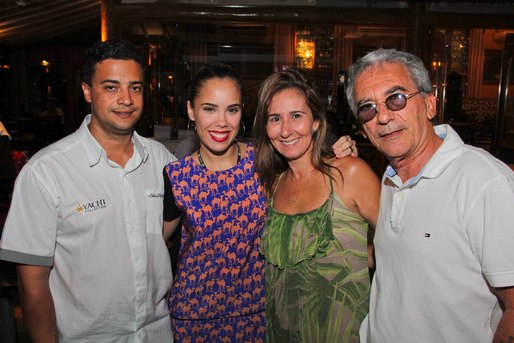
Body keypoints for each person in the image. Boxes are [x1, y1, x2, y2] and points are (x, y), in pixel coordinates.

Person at [162, 62, 357, 342]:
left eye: (232, 109)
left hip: (258, 315)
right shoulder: (176, 176)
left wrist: (338, 147)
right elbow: (157, 245)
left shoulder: (266, 160)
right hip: (193, 318)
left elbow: (308, 156)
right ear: (191, 111)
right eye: (209, 109)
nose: (222, 121)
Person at [0, 39, 176, 342]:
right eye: (111, 87)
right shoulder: (46, 171)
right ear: (86, 91)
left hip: (157, 333)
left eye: (135, 87)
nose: (126, 99)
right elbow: (32, 282)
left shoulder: (161, 159)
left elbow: (162, 231)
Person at [345, 48, 514, 343]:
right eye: (368, 108)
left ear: (429, 104)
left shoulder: (482, 181)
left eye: (395, 98)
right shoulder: (388, 180)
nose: (382, 116)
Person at [252, 68, 381, 343]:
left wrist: (363, 255)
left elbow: (403, 245)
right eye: (275, 118)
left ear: (316, 122)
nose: (285, 130)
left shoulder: (350, 174)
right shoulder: (271, 186)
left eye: (296, 116)